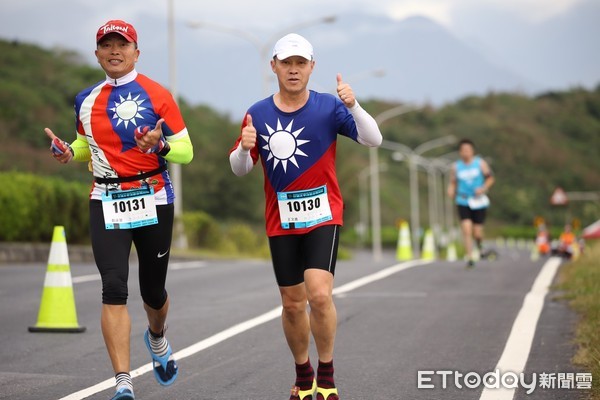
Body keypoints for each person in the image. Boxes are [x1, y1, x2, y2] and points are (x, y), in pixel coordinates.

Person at [45, 20, 193, 400]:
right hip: (106, 199)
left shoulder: (158, 95)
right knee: (113, 287)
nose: (114, 51)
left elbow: (186, 152)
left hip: (153, 196)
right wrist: (67, 151)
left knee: (153, 291)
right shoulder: (85, 100)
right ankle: (123, 382)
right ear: (96, 54)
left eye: (121, 45)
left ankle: (157, 337)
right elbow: (85, 148)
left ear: (136, 52)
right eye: (106, 45)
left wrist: (158, 147)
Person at [229, 33, 382, 400]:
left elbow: (373, 139)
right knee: (292, 302)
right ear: (274, 67)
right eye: (286, 63)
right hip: (280, 220)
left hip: (323, 214)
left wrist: (355, 105)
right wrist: (243, 149)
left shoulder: (329, 107)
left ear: (312, 67)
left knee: (318, 294)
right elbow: (240, 169)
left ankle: (326, 373)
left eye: (301, 63)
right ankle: (303, 372)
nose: (293, 70)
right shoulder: (258, 113)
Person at [447, 139, 494, 268]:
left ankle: (480, 245)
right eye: (463, 150)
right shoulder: (456, 166)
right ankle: (469, 257)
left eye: (468, 150)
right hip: (463, 200)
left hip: (478, 201)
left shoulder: (480, 163)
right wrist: (450, 190)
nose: (466, 152)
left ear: (472, 151)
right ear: (460, 152)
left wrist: (483, 188)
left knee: (477, 232)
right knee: (466, 229)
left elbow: (490, 178)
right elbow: (453, 182)